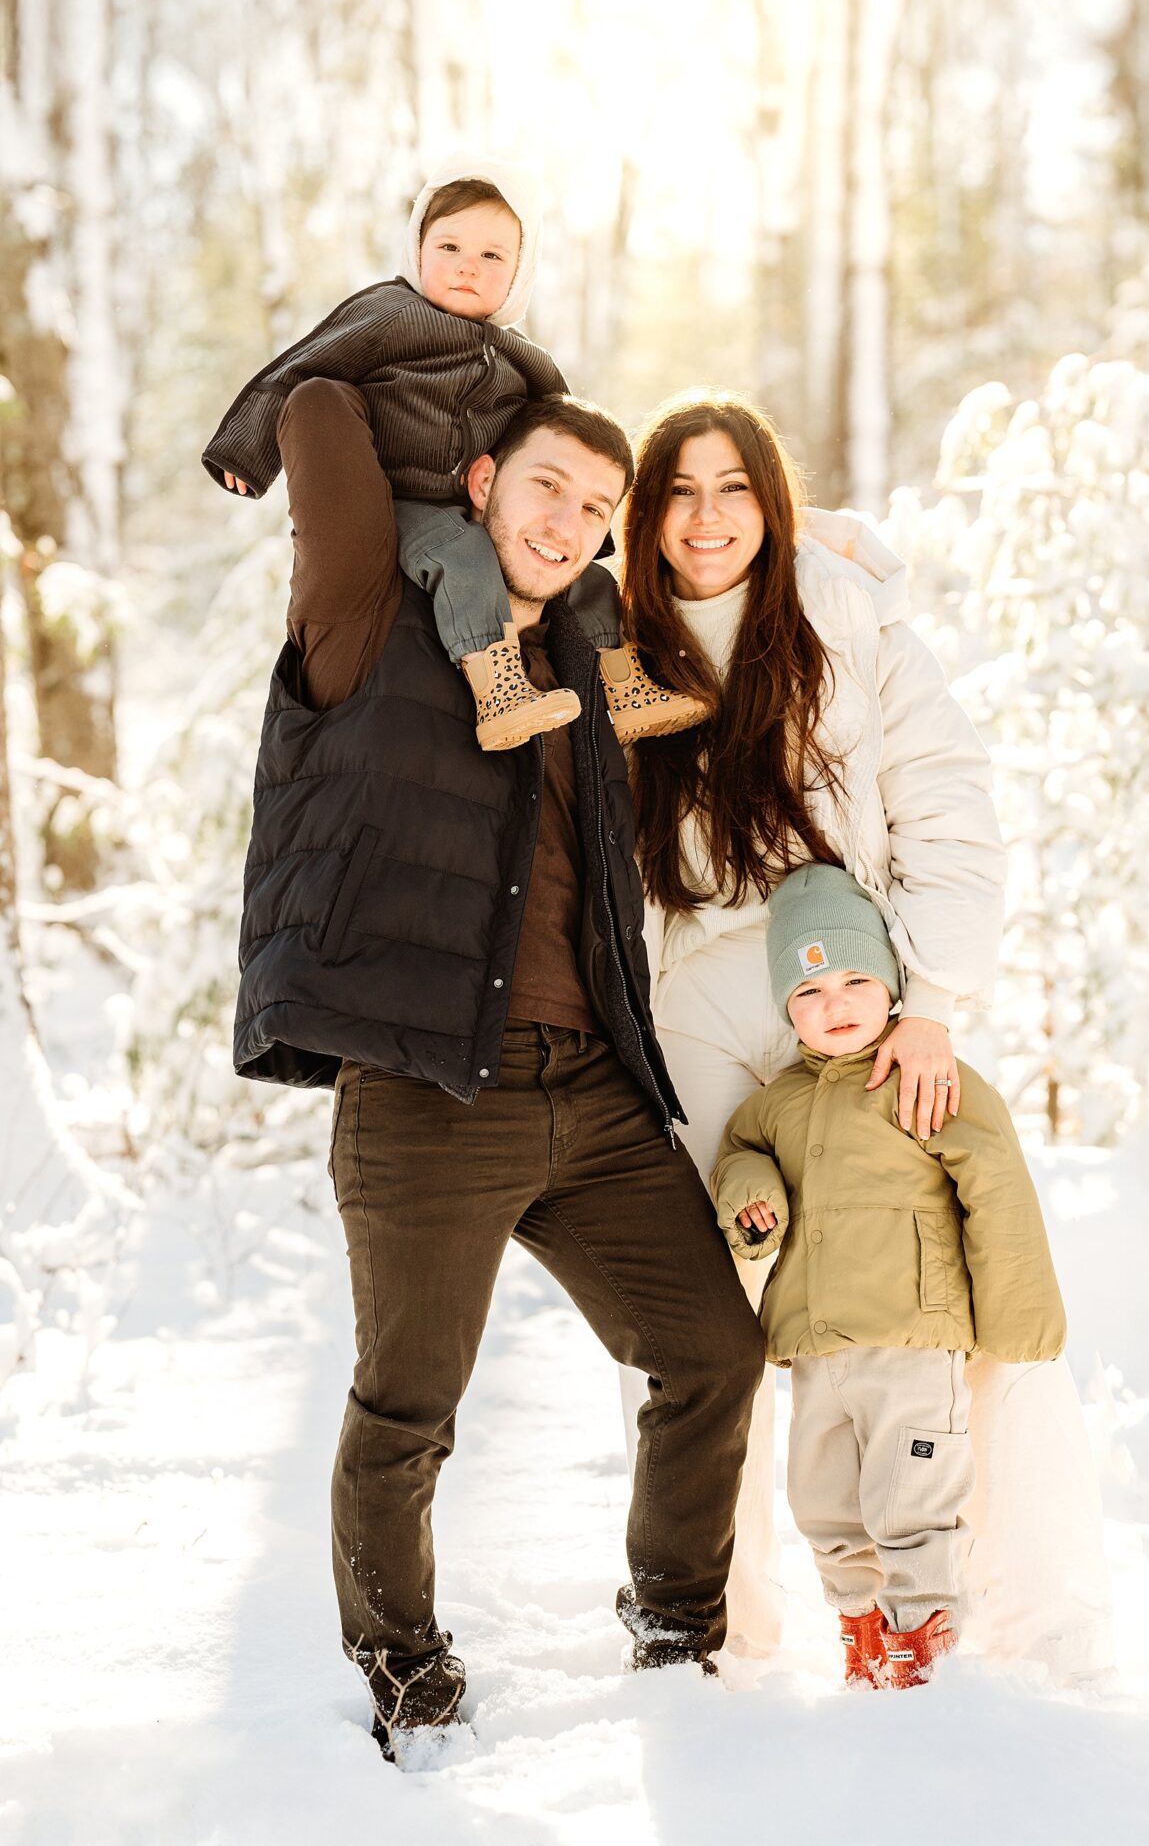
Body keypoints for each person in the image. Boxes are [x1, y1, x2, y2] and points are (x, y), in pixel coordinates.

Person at [225, 375, 764, 1762]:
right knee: (408, 1407)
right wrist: (481, 358)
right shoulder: (368, 618)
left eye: (597, 507)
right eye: (545, 488)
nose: (572, 523)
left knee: (712, 1351)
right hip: (423, 1094)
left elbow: (736, 604)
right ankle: (404, 1667)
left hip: (589, 1090)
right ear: (477, 485)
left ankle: (675, 1628)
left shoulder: (586, 660)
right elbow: (321, 415)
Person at [615, 388, 1008, 1654]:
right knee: (695, 1321)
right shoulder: (607, 640)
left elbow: (945, 802)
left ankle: (943, 1595)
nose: (706, 515)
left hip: (847, 1003)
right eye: (679, 489)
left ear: (773, 502)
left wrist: (934, 1004)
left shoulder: (848, 617)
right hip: (686, 1013)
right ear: (645, 512)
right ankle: (716, 1613)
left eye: (734, 486)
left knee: (905, 1296)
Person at [203, 149, 702, 751]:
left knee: (590, 581)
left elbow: (562, 429)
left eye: (492, 256)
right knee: (463, 556)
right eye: (450, 249)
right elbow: (302, 369)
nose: (468, 267)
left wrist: (588, 527)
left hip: (482, 503)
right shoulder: (390, 314)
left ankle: (623, 690)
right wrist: (246, 451)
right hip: (398, 500)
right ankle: (498, 690)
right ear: (418, 249)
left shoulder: (524, 357)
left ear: (520, 271)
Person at [711, 865, 1067, 1689]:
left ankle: (925, 1652)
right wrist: (752, 1194)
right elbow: (740, 1161)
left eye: (855, 980)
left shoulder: (925, 1077)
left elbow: (997, 1185)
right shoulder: (773, 1105)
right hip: (815, 1349)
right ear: (784, 1006)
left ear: (893, 984)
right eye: (808, 992)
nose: (834, 1005)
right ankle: (863, 1633)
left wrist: (1019, 1316)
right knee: (824, 1502)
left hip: (912, 1336)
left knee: (913, 1498)